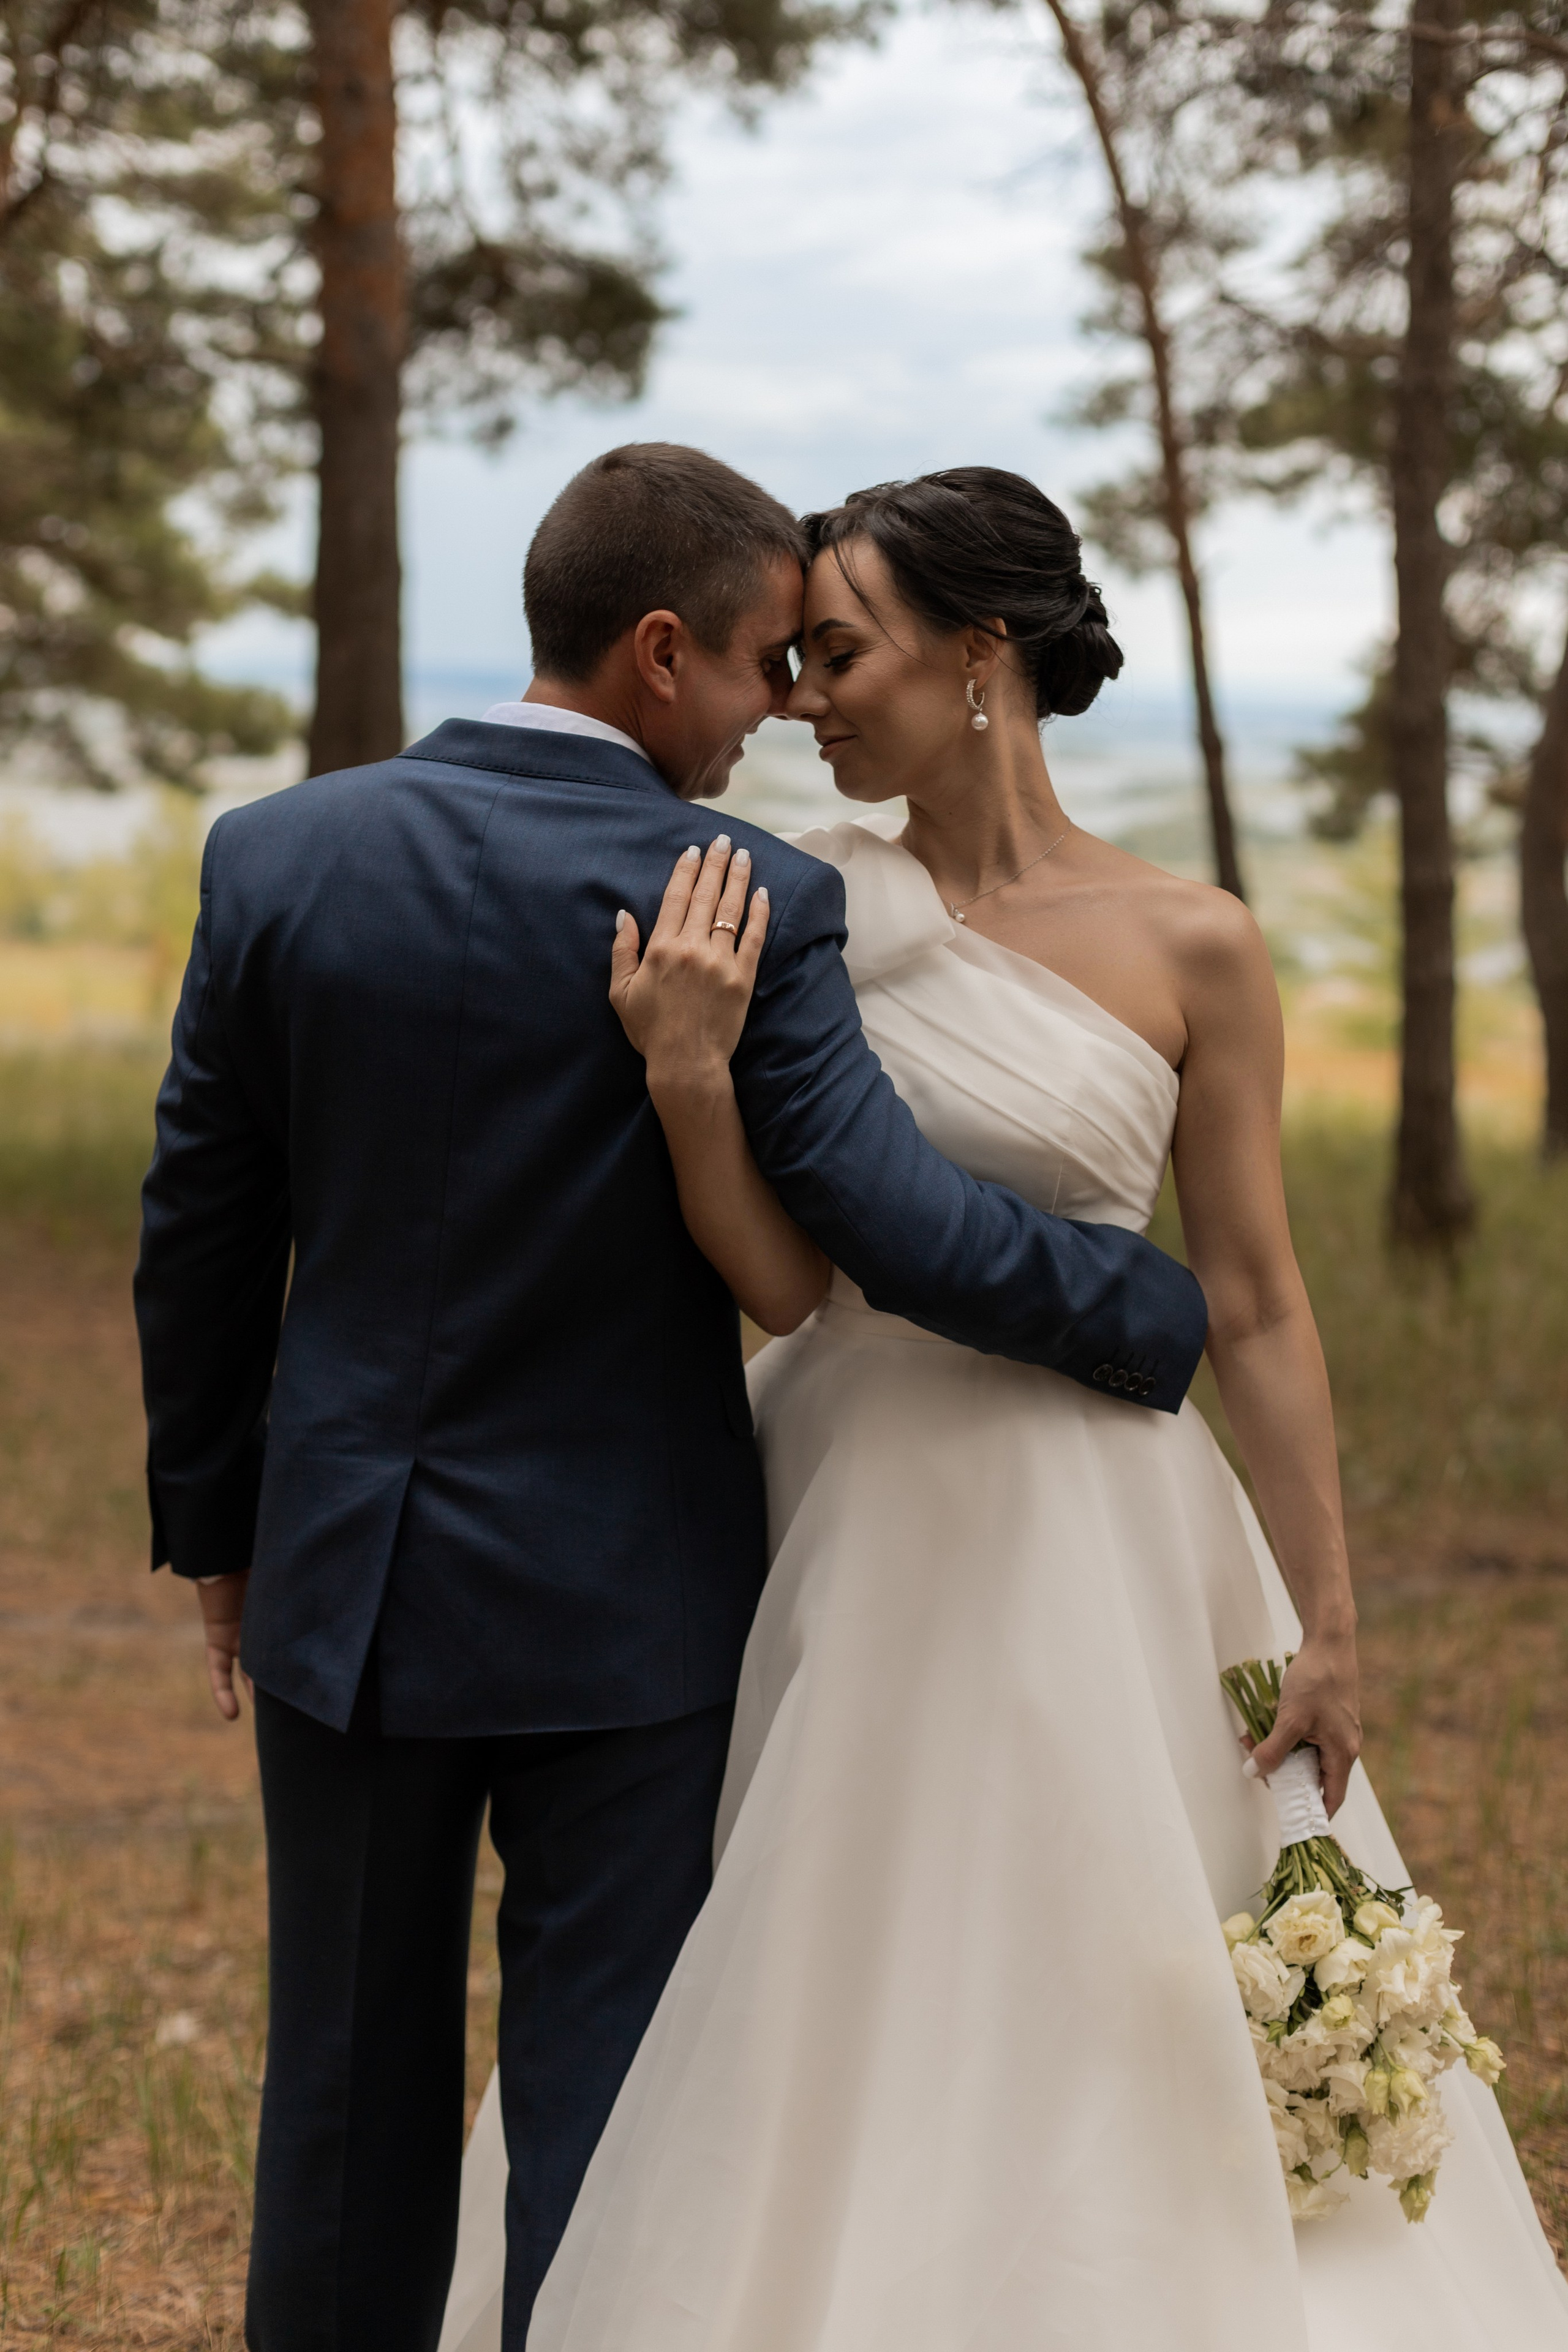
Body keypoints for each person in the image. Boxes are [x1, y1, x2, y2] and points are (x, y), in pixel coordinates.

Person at [440, 468, 1568, 2352]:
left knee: (1101, 1927)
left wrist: (1330, 1611)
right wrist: (693, 1086)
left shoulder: (1196, 942)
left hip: (1108, 1512)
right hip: (843, 1488)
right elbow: (785, 1281)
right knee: (821, 1927)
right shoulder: (795, 900)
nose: (803, 698)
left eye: (840, 653)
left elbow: (1257, 1298)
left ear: (982, 655)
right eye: (791, 661)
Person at [132, 445, 1212, 2352]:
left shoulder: (278, 854)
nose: (777, 710)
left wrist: (222, 1534)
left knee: (344, 2108)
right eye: (761, 664)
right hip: (628, 1612)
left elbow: (201, 1234)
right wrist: (1157, 1309)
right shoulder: (747, 898)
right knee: (609, 2123)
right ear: (657, 654)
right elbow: (893, 1224)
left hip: (343, 1585)